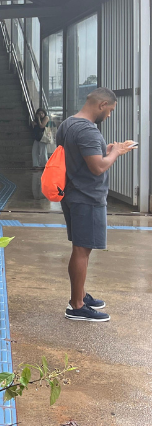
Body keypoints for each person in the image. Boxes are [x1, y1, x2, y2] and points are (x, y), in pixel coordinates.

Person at [57, 88, 135, 321]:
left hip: (72, 193)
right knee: (82, 249)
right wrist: (117, 152)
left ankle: (79, 295)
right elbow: (98, 167)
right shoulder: (87, 130)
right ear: (102, 105)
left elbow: (83, 157)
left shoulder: (68, 124)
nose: (109, 115)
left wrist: (107, 150)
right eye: (110, 110)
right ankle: (77, 306)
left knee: (80, 248)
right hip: (87, 197)